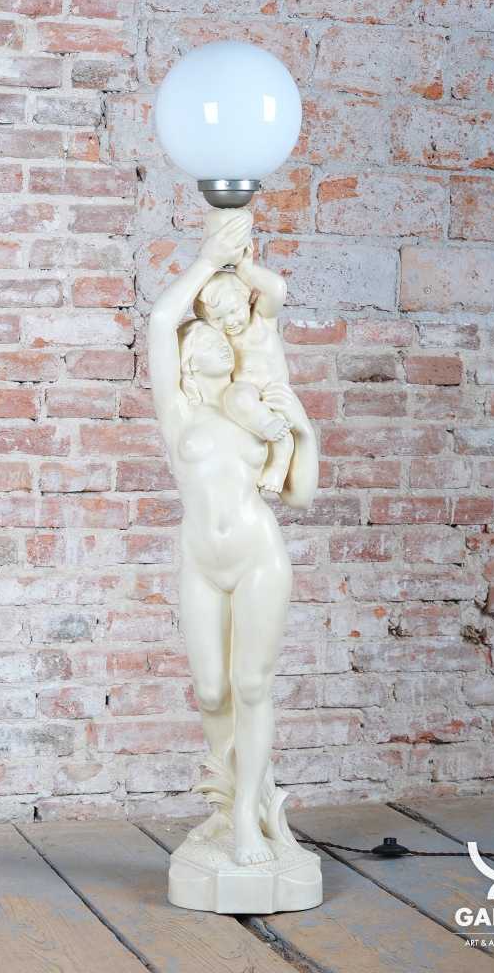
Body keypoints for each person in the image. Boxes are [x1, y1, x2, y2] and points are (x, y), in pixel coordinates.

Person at [148, 213, 318, 865]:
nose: (220, 342)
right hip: (201, 561)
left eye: (222, 337)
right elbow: (162, 321)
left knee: (251, 686)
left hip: (257, 555)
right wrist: (205, 259)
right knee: (212, 692)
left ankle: (247, 818)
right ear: (187, 363)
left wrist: (304, 435)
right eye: (204, 339)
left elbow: (299, 495)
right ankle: (226, 807)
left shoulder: (253, 406)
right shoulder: (179, 414)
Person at [193, 209, 294, 493]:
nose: (229, 323)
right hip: (247, 396)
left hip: (273, 389)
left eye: (234, 311)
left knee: (282, 433)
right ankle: (271, 456)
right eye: (218, 319)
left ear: (247, 299)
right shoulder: (220, 335)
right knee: (238, 397)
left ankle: (278, 468)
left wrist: (246, 271)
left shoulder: (262, 318)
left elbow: (277, 289)